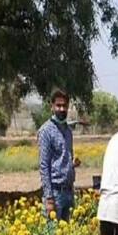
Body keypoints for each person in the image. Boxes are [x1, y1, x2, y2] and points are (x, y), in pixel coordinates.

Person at [38, 88, 80, 221]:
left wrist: (72, 164)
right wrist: (49, 198)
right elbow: (44, 166)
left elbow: (62, 158)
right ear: (52, 107)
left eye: (64, 106)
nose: (62, 109)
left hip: (68, 191)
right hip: (55, 194)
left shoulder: (67, 131)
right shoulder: (46, 131)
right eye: (58, 105)